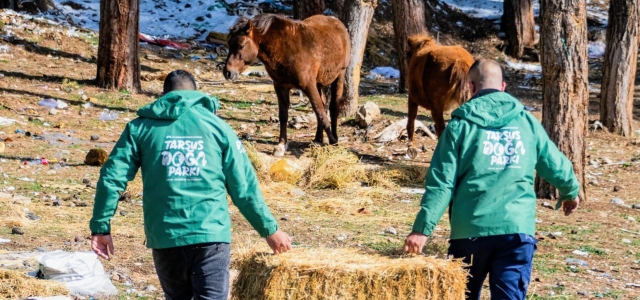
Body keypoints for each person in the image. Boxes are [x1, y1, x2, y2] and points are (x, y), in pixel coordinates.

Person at [89, 70, 292, 299]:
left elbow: (111, 177)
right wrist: (270, 230)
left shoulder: (140, 128)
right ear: (196, 95)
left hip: (167, 237)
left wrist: (101, 227)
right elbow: (244, 188)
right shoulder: (219, 128)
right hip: (210, 236)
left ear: (163, 95)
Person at [403, 58, 580, 300]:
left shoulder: (459, 127)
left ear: (471, 87)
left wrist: (421, 230)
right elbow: (555, 163)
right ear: (503, 87)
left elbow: (441, 183)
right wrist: (570, 192)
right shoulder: (527, 123)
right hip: (516, 232)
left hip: (469, 233)